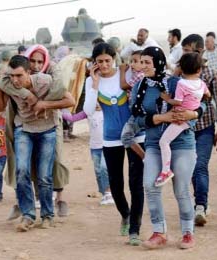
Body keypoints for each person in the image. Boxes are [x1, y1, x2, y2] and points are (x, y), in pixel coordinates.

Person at [130, 46, 202, 250]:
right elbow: (135, 118)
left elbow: (202, 104)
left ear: (158, 62)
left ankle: (188, 232)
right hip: (153, 143)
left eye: (147, 62)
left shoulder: (175, 82)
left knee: (181, 189)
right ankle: (159, 231)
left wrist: (192, 115)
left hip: (182, 143)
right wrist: (161, 118)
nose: (142, 67)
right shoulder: (139, 87)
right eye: (140, 62)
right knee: (150, 185)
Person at [0, 55, 75, 231]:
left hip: (47, 130)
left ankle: (47, 215)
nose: (15, 80)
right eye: (12, 76)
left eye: (19, 76)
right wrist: (0, 87)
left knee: (44, 175)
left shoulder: (45, 81)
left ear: (29, 72)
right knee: (21, 171)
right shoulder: (9, 84)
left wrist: (43, 104)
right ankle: (28, 215)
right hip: (23, 129)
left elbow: (70, 101)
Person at [83, 43, 144, 246]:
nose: (104, 64)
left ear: (114, 59)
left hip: (135, 136)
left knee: (136, 183)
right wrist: (94, 84)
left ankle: (135, 228)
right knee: (116, 185)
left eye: (107, 60)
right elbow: (89, 109)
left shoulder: (125, 75)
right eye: (99, 61)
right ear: (94, 63)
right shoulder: (92, 81)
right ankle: (125, 214)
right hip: (110, 138)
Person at [181, 34, 217, 226]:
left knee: (200, 166)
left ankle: (200, 206)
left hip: (206, 128)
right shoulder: (179, 74)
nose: (183, 54)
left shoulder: (212, 75)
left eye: (186, 51)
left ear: (198, 50)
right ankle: (199, 201)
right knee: (191, 167)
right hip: (185, 129)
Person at [156, 53, 211, 187]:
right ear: (199, 70)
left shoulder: (181, 83)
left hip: (180, 117)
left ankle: (165, 170)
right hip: (191, 118)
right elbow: (208, 96)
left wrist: (167, 99)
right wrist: (196, 103)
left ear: (181, 69)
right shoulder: (201, 83)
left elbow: (177, 102)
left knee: (164, 141)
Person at [61, 104, 114, 205]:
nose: (97, 103)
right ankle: (104, 194)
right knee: (98, 171)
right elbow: (72, 118)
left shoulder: (108, 110)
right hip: (94, 146)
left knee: (104, 168)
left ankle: (109, 193)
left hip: (107, 144)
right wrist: (60, 111)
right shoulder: (88, 111)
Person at [119, 50, 145, 159]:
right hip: (138, 111)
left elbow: (124, 86)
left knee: (126, 137)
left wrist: (122, 71)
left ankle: (145, 158)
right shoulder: (139, 75)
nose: (132, 64)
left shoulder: (139, 76)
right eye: (131, 61)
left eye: (135, 61)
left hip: (138, 113)